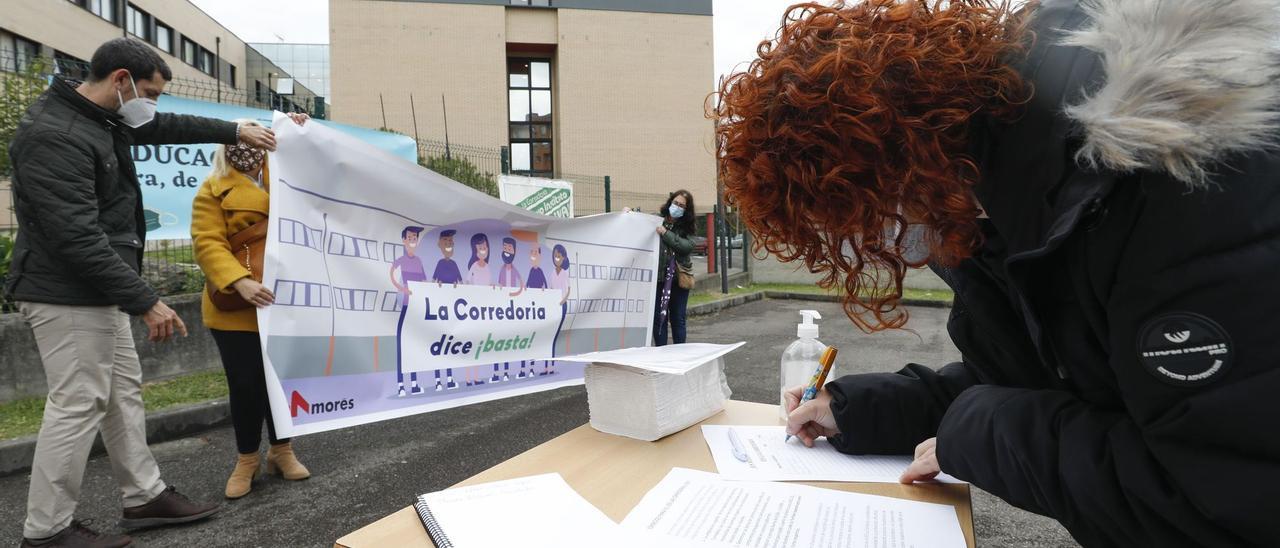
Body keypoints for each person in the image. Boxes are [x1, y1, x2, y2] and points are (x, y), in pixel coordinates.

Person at [713, 1, 1280, 546]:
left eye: (852, 219)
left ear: (892, 169)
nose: (871, 244)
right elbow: (1037, 380)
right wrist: (861, 410)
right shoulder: (1004, 203)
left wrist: (978, 435)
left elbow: (1220, 503)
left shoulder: (1166, 190)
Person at [3, 38, 280, 547]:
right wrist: (146, 299)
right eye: (149, 92)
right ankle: (47, 531)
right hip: (65, 293)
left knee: (120, 394)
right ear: (121, 80)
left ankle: (144, 497)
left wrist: (235, 129)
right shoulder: (55, 135)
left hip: (96, 291)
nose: (152, 104)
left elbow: (167, 126)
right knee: (78, 402)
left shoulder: (100, 120)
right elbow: (76, 238)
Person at [191, 117, 311, 501]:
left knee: (280, 380)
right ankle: (247, 459)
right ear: (227, 147)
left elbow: (316, 175)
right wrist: (238, 280)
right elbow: (207, 242)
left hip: (282, 304)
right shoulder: (211, 191)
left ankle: (281, 451)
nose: (248, 151)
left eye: (257, 141)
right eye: (240, 142)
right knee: (245, 386)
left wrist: (296, 131)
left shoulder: (287, 178)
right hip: (235, 308)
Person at [652, 191, 695, 346]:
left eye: (682, 205)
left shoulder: (687, 228)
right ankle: (661, 354)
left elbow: (687, 246)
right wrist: (628, 213)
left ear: (686, 210)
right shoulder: (656, 220)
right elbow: (638, 223)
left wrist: (666, 234)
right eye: (675, 203)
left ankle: (680, 355)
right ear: (670, 202)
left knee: (677, 318)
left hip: (679, 279)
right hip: (658, 279)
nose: (677, 207)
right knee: (658, 319)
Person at [390, 226, 428, 397]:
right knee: (403, 345)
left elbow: (424, 281)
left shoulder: (419, 261)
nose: (413, 240)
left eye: (415, 237)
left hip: (416, 308)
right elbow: (391, 273)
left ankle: (413, 384)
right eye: (410, 237)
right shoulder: (401, 260)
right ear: (404, 240)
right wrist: (401, 288)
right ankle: (400, 385)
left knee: (414, 345)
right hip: (406, 306)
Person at [430, 229, 461, 391]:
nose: (450, 244)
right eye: (446, 241)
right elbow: (433, 282)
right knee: (439, 345)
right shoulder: (440, 264)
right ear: (441, 245)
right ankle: (437, 380)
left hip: (452, 312)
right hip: (441, 311)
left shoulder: (454, 264)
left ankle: (449, 378)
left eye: (451, 241)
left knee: (449, 345)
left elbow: (460, 283)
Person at [544, 244, 572, 376]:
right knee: (548, 336)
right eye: (555, 256)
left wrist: (562, 301)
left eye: (559, 256)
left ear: (563, 258)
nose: (556, 258)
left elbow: (568, 291)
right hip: (552, 306)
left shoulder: (565, 273)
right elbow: (550, 288)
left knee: (554, 336)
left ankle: (551, 366)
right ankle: (546, 366)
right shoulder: (551, 273)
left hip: (561, 306)